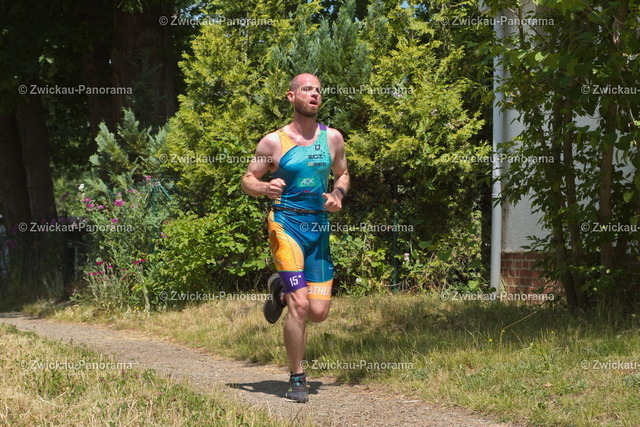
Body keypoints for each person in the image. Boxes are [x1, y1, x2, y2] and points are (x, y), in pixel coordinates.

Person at [241, 73, 350, 403]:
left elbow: (343, 173)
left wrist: (338, 194)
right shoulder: (273, 142)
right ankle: (297, 377)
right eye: (306, 89)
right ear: (291, 97)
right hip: (285, 224)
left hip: (318, 229)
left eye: (318, 90)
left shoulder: (332, 138)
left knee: (318, 312)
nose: (314, 94)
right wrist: (264, 187)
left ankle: (279, 290)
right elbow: (248, 179)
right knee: (300, 304)